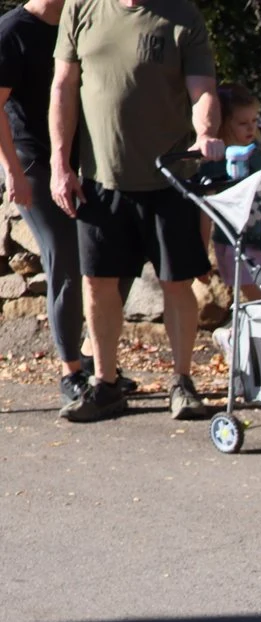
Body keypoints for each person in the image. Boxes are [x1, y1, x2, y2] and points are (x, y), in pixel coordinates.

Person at [47, 0, 219, 424]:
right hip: (100, 181)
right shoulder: (81, 9)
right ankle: (105, 385)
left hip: (170, 176)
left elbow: (204, 90)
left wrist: (206, 132)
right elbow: (64, 87)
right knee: (98, 284)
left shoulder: (182, 15)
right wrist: (59, 163)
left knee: (177, 283)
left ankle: (182, 382)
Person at [0, 0, 102, 415]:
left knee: (104, 259)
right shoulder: (12, 31)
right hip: (31, 162)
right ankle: (70, 371)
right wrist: (13, 173)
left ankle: (99, 365)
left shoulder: (77, 23)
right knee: (64, 258)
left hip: (82, 164)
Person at [202, 81, 261, 298]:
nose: (251, 128)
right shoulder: (216, 164)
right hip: (236, 244)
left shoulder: (260, 154)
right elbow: (206, 209)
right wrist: (202, 253)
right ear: (224, 124)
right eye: (243, 123)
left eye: (254, 121)